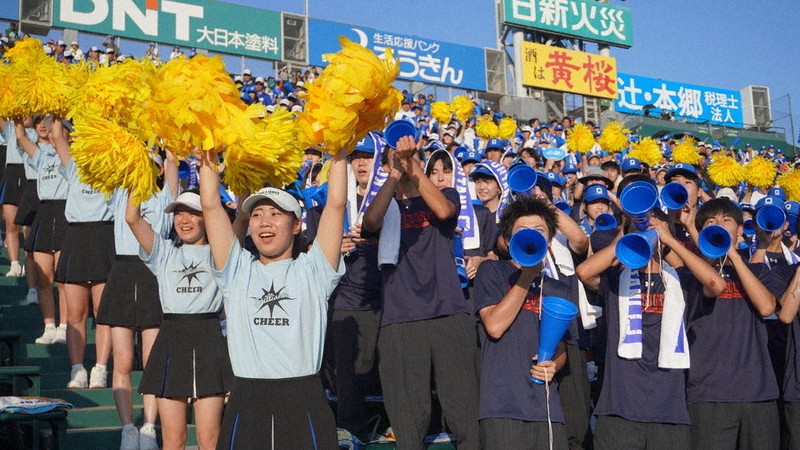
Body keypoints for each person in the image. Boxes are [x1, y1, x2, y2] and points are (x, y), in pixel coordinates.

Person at [198, 144, 346, 449]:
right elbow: (211, 205)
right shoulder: (236, 269)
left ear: (296, 225)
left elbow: (336, 205)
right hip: (247, 400)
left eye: (276, 214)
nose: (264, 222)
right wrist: (208, 152)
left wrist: (341, 151)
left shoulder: (313, 269)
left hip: (304, 399)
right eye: (257, 215)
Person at [576, 178, 726, 449]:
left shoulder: (681, 282)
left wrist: (669, 239)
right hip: (618, 410)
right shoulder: (615, 280)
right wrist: (628, 230)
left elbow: (717, 285)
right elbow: (584, 272)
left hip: (670, 414)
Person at [363, 136, 480, 450]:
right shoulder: (385, 205)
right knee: (408, 418)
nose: (401, 162)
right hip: (399, 319)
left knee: (464, 411)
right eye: (393, 159)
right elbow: (370, 222)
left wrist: (412, 163)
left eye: (407, 158)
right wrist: (395, 174)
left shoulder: (444, 194)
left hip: (448, 314)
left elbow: (443, 211)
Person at [126, 189, 232, 450]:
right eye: (178, 214)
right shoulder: (164, 252)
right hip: (171, 338)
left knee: (210, 437)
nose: (184, 220)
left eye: (193, 213)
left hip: (209, 337)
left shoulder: (222, 251)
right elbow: (132, 218)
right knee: (173, 438)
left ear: (207, 217)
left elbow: (236, 223)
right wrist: (136, 176)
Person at [473, 196, 570, 449]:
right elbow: (494, 326)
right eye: (522, 231)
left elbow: (562, 349)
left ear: (549, 241)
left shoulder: (557, 288)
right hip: (502, 405)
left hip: (546, 408)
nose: (532, 237)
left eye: (539, 231)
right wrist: (527, 274)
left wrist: (554, 366)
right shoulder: (492, 271)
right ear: (507, 239)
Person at [96, 153, 177, 450]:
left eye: (152, 164)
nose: (146, 168)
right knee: (124, 361)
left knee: (151, 361)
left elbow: (173, 162)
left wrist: (170, 152)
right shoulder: (120, 191)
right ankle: (127, 428)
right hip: (121, 271)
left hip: (153, 272)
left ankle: (149, 428)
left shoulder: (166, 195)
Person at [305, 134, 382, 440]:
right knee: (348, 373)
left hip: (386, 298)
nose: (362, 163)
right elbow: (310, 249)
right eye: (356, 158)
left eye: (368, 157)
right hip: (346, 299)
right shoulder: (330, 203)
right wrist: (332, 247)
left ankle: (384, 426)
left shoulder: (388, 199)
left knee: (380, 369)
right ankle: (350, 433)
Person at [687, 198, 779, 449]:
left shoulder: (756, 270)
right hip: (709, 394)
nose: (719, 225)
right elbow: (711, 284)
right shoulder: (693, 274)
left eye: (727, 220)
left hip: (758, 392)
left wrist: (736, 258)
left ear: (740, 230)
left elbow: (767, 307)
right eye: (710, 221)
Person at [50, 120, 114, 391]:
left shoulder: (113, 168)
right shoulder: (72, 165)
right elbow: (57, 135)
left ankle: (100, 368)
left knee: (104, 312)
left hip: (103, 237)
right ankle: (78, 369)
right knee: (76, 312)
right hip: (76, 237)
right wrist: (57, 105)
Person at [14, 117, 68, 345]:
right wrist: (15, 112)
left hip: (64, 211)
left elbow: (59, 135)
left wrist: (58, 115)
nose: (53, 133)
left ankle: (65, 327)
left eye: (58, 130)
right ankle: (49, 325)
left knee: (63, 280)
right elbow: (20, 137)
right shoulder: (41, 155)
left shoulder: (73, 158)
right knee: (44, 278)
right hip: (44, 213)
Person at [0, 118, 26, 277]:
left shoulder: (37, 132)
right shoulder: (10, 128)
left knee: (27, 227)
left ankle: (29, 265)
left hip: (29, 175)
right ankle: (15, 263)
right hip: (11, 173)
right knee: (11, 223)